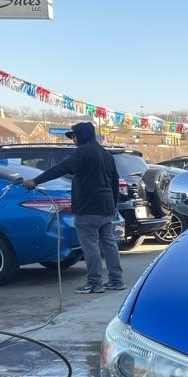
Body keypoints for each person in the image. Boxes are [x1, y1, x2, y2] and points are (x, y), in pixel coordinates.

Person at [23, 122, 124, 294]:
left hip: (88, 206)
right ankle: (116, 280)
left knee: (90, 246)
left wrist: (35, 181)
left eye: (74, 136)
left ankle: (94, 283)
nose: (73, 140)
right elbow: (115, 181)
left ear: (81, 136)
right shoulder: (105, 154)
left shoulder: (82, 152)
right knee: (109, 243)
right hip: (106, 206)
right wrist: (113, 206)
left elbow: (61, 168)